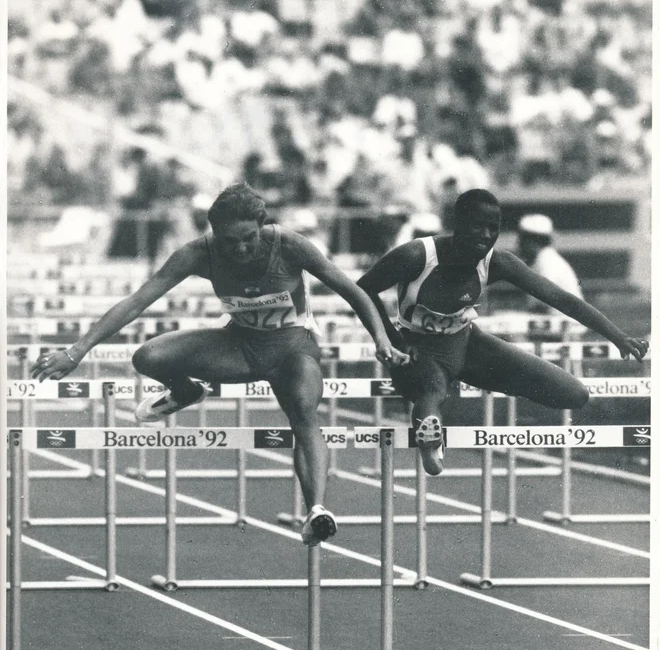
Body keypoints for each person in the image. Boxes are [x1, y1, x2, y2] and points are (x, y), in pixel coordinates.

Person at [31, 183, 409, 546]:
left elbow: (354, 291)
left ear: (263, 227)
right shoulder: (198, 253)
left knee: (304, 411)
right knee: (148, 356)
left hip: (294, 350)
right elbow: (136, 302)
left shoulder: (289, 245)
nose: (241, 247)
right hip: (239, 347)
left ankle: (316, 510)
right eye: (231, 241)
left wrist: (381, 339)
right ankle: (186, 390)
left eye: (249, 237)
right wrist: (76, 351)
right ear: (214, 233)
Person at [357, 189, 649, 476]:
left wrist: (616, 336)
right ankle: (430, 439)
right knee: (432, 388)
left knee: (574, 394)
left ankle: (441, 415)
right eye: (477, 227)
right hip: (415, 349)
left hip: (467, 344)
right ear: (458, 225)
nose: (486, 236)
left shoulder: (497, 262)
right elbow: (362, 290)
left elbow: (561, 299)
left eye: (493, 229)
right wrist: (390, 340)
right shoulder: (416, 254)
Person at [517, 213, 583, 311]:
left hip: (566, 324)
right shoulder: (542, 260)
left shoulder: (547, 262)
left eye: (522, 240)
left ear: (534, 241)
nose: (519, 245)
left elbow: (543, 306)